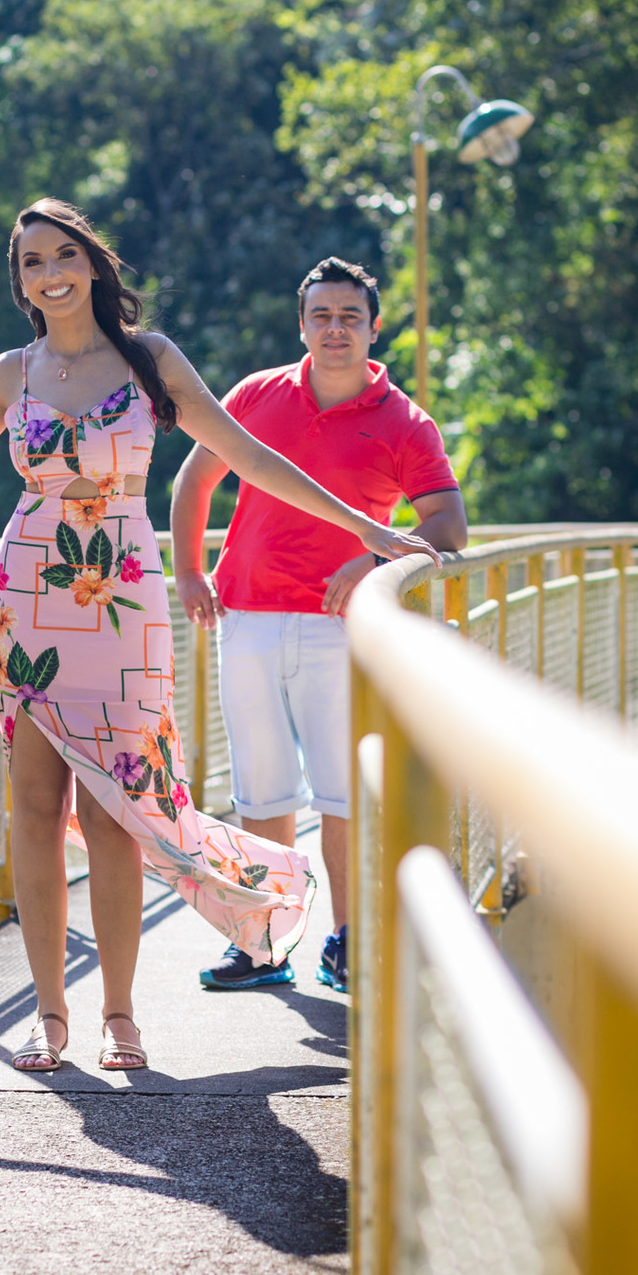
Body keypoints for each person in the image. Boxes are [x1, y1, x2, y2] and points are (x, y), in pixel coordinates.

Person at [0, 207, 440, 1073]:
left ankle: (119, 1014)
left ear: (93, 265)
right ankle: (49, 1015)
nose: (52, 274)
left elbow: (253, 460)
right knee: (36, 811)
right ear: (21, 281)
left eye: (65, 255)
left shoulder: (151, 361)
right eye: (33, 262)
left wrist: (364, 529)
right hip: (27, 601)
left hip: (123, 603)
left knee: (118, 812)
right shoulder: (11, 374)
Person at [171, 256, 467, 993]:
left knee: (341, 793)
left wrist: (372, 560)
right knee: (261, 792)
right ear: (301, 325)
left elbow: (448, 525)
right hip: (246, 616)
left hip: (344, 628)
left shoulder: (405, 422)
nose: (336, 329)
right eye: (322, 316)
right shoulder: (255, 394)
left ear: (374, 327)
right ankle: (265, 944)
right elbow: (194, 479)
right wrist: (188, 570)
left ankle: (347, 942)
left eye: (350, 317)